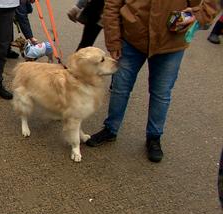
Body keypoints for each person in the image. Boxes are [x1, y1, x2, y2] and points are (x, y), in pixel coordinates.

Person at [86, 0, 218, 162]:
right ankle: (110, 129)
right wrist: (113, 40)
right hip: (132, 37)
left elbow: (213, 4)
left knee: (161, 93)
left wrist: (197, 14)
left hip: (171, 42)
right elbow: (112, 4)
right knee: (120, 87)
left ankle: (154, 137)